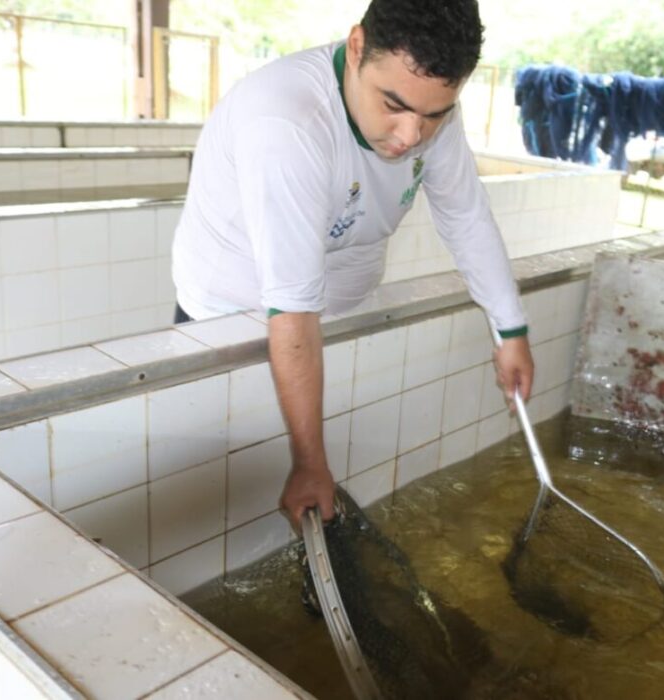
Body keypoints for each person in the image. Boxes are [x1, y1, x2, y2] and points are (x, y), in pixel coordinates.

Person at [171, 0, 534, 528]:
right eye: (393, 105)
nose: (410, 136)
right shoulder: (287, 121)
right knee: (216, 512)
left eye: (433, 116)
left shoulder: (427, 107)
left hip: (332, 322)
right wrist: (310, 463)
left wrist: (511, 330)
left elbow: (466, 217)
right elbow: (292, 310)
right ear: (358, 46)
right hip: (231, 318)